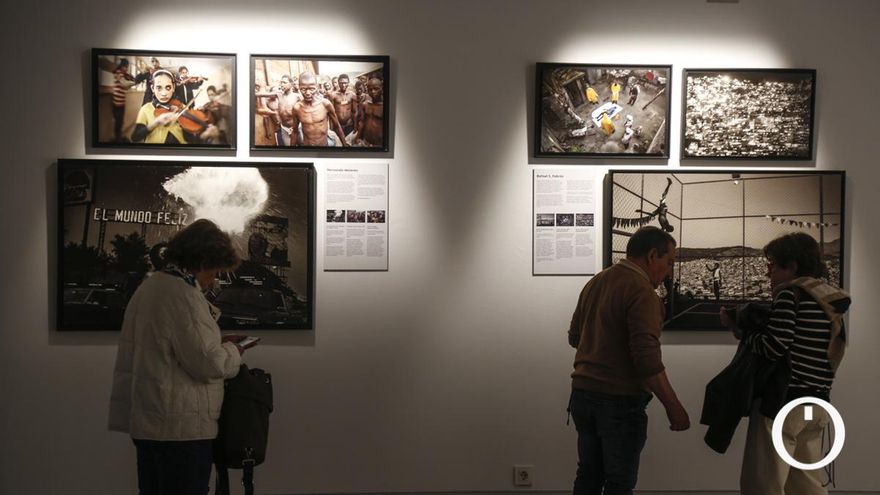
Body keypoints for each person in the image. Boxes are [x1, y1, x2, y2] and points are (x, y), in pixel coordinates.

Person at [109, 219, 254, 495]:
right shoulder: (183, 295)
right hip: (181, 429)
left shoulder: (152, 286)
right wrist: (235, 350)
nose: (214, 278)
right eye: (214, 269)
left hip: (152, 424)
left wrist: (217, 342)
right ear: (201, 261)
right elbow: (210, 364)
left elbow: (173, 347)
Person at [721, 232, 850, 495]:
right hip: (816, 403)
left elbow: (774, 346)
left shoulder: (790, 294)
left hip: (783, 403)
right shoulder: (828, 299)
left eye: (772, 265)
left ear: (791, 266)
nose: (768, 273)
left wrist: (740, 331)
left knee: (763, 483)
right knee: (805, 483)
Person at [568, 226, 690, 494]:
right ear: (652, 255)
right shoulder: (642, 291)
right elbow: (646, 359)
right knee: (619, 482)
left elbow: (574, 337)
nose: (669, 271)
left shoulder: (596, 281)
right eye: (668, 262)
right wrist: (674, 406)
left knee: (588, 475)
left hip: (582, 395)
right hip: (619, 402)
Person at [288, 72, 349, 147]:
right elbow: (295, 132)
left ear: (317, 87)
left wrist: (345, 145)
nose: (308, 93)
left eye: (312, 89)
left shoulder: (326, 104)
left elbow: (337, 126)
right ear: (299, 87)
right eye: (303, 89)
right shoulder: (297, 108)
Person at [130, 69, 187, 144]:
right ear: (152, 88)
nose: (164, 93)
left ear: (173, 87)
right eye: (159, 88)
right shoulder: (146, 109)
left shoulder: (181, 106)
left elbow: (190, 138)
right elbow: (135, 137)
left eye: (168, 87)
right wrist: (155, 122)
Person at [111, 58, 135, 142]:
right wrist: (134, 82)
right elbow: (124, 84)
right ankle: (118, 139)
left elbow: (128, 83)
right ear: (122, 66)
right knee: (118, 122)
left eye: (127, 67)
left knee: (120, 122)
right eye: (125, 67)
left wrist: (131, 78)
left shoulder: (123, 74)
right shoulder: (118, 73)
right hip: (117, 103)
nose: (126, 69)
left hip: (121, 102)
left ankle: (119, 137)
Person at [330, 74, 357, 140]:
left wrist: (355, 126)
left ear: (348, 83)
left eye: (345, 83)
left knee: (348, 144)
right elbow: (331, 113)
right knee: (338, 144)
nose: (343, 85)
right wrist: (331, 128)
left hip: (349, 124)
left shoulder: (352, 95)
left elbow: (354, 112)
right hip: (338, 125)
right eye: (341, 83)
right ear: (338, 83)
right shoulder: (333, 95)